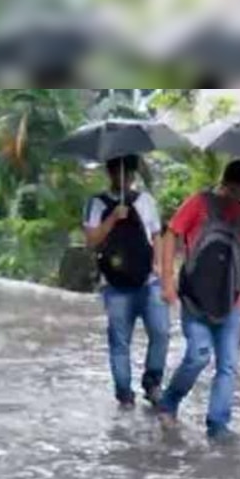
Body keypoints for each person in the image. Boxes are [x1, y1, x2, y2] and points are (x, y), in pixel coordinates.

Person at [158, 160, 240, 440]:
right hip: (196, 298)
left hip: (231, 300)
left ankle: (217, 424)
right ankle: (169, 402)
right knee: (198, 355)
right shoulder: (199, 203)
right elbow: (172, 234)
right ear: (230, 184)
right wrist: (167, 280)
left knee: (228, 364)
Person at [84, 155, 168, 409]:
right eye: (119, 173)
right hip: (115, 285)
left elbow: (157, 236)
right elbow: (91, 240)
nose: (125, 179)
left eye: (128, 174)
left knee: (161, 333)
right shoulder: (96, 204)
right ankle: (124, 395)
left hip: (148, 281)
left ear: (133, 176)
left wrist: (162, 270)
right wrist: (112, 219)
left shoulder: (145, 201)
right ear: (110, 174)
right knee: (120, 342)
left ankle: (152, 383)